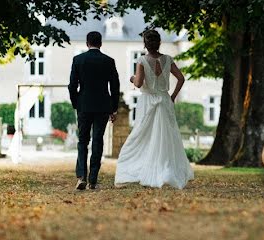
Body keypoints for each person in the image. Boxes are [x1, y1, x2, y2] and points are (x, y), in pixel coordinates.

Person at [115, 29, 194, 189]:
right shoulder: (168, 59)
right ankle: (166, 168)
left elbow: (138, 83)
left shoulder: (142, 61)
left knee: (142, 135)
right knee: (166, 135)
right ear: (159, 43)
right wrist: (172, 96)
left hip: (148, 101)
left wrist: (131, 78)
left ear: (145, 44)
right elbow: (181, 78)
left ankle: (137, 168)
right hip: (164, 99)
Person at [68, 30, 120, 190]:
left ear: (87, 43)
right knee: (98, 140)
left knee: (83, 141)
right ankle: (93, 180)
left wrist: (76, 103)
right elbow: (115, 86)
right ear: (101, 43)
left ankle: (81, 176)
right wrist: (114, 108)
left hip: (84, 105)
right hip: (103, 106)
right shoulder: (109, 61)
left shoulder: (78, 60)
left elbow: (72, 85)